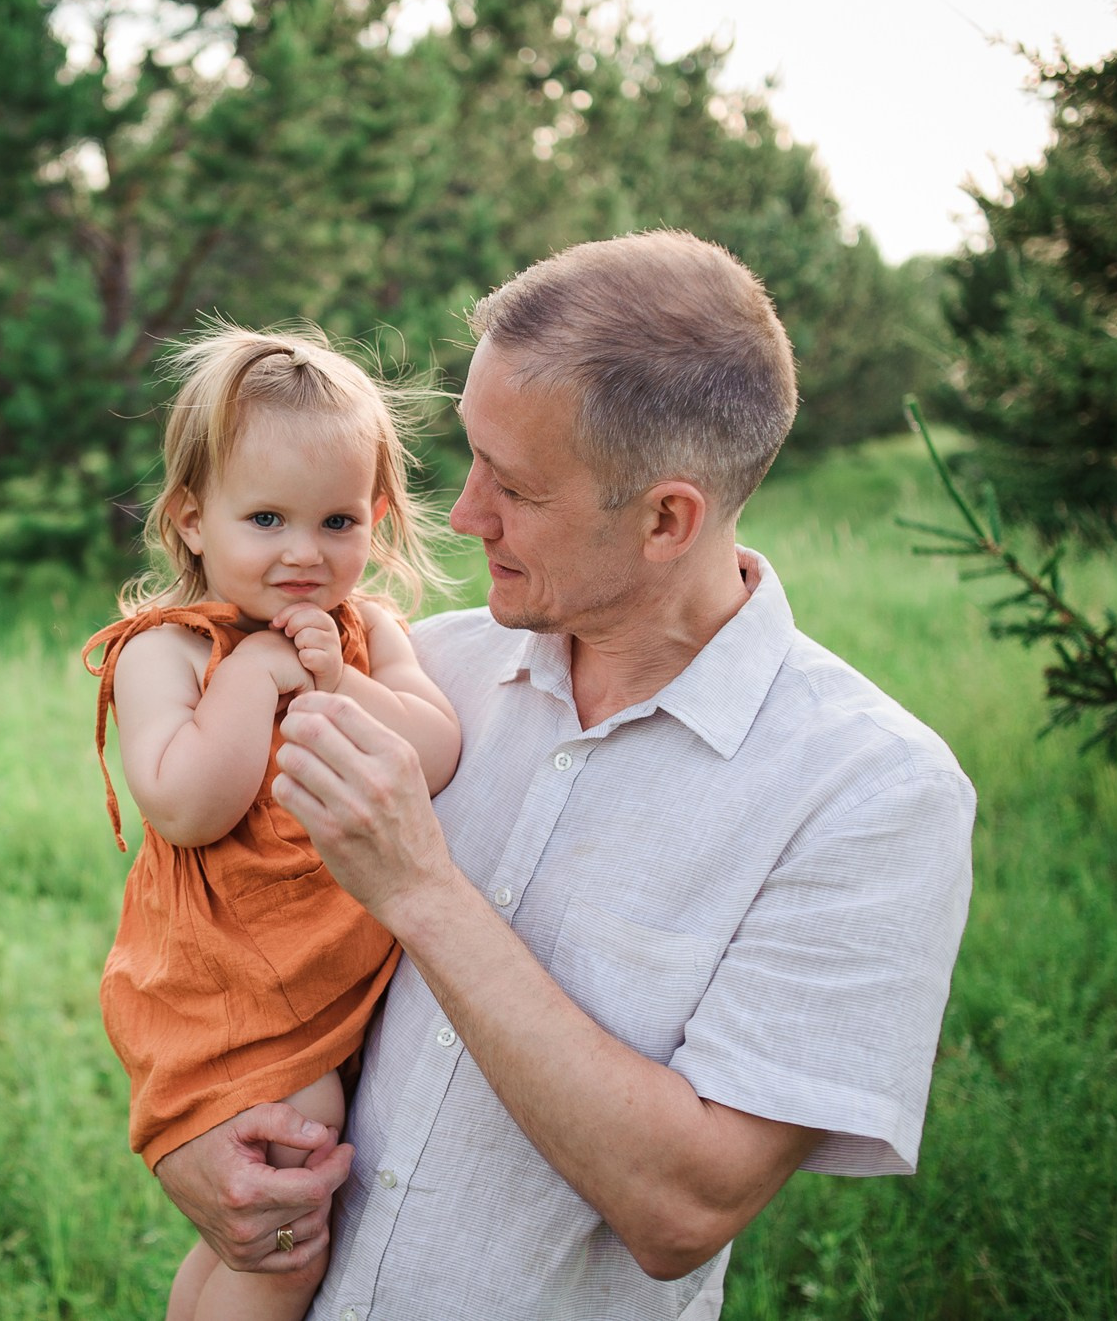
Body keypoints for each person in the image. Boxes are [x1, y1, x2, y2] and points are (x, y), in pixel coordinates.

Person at [153, 231, 977, 1320]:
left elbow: (683, 1207)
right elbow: (208, 921)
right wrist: (189, 1136)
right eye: (470, 457)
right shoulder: (416, 673)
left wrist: (415, 884)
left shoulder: (866, 794)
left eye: (517, 484)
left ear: (664, 519)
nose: (462, 513)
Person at [81, 324, 463, 1321]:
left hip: (319, 971)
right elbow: (185, 804)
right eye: (264, 517)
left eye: (335, 521)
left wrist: (337, 680)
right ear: (192, 518)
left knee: (261, 1244)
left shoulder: (366, 631)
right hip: (220, 981)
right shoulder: (162, 652)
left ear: (373, 522)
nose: (303, 552)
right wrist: (253, 676)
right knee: (282, 1231)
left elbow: (435, 750)